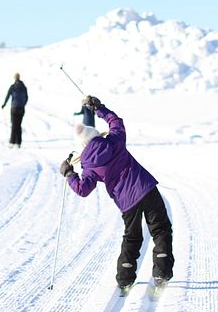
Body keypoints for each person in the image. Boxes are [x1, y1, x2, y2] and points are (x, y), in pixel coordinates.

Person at [60, 96, 174, 294]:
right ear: (95, 134)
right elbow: (116, 122)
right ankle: (162, 274)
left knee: (132, 237)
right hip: (146, 187)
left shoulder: (89, 165)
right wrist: (99, 108)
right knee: (161, 228)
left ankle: (125, 279)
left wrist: (69, 174)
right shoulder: (114, 141)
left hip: (127, 202)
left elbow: (83, 189)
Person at [1, 72, 28, 148]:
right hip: (21, 109)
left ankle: (12, 142)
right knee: (19, 125)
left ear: (14, 78)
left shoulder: (13, 87)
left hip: (14, 108)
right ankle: (18, 143)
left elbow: (8, 96)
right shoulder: (24, 87)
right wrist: (23, 105)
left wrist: (4, 104)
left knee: (14, 125)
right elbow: (26, 98)